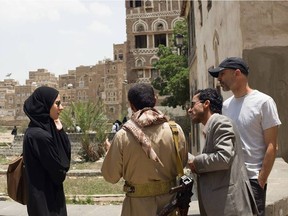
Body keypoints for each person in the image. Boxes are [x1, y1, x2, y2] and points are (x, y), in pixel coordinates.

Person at [208, 57, 281, 215]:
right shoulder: (226, 106)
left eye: (222, 74)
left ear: (237, 73)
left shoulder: (264, 102)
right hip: (231, 181)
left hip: (253, 181)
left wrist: (261, 180)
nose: (219, 79)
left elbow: (272, 145)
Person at [101, 83, 188, 216]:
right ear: (155, 99)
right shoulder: (175, 130)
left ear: (131, 105)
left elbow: (111, 176)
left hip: (136, 208)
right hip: (170, 206)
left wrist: (109, 153)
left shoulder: (123, 136)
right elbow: (181, 164)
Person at [187, 88, 258, 216]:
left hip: (230, 208)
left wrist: (196, 162)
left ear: (206, 104)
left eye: (193, 104)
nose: (189, 110)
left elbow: (223, 158)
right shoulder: (213, 125)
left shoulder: (220, 122)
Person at [23, 86, 71, 216]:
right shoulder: (40, 137)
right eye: (57, 103)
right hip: (47, 205)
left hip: (41, 202)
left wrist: (59, 131)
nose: (61, 107)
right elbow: (60, 172)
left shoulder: (33, 131)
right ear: (44, 105)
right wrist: (61, 134)